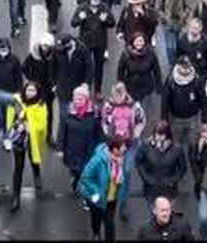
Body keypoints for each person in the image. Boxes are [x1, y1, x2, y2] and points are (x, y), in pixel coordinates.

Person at [103, 81, 147, 221]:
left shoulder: (135, 106)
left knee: (126, 171)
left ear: (125, 93)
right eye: (115, 95)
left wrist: (135, 134)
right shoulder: (109, 106)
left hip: (130, 144)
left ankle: (123, 204)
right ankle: (112, 197)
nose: (117, 98)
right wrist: (110, 136)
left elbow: (141, 120)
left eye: (120, 95)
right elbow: (104, 121)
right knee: (113, 172)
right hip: (114, 145)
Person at [7, 80, 50, 212]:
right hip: (19, 138)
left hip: (33, 139)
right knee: (18, 167)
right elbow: (10, 118)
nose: (30, 93)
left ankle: (36, 174)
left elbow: (42, 124)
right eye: (28, 90)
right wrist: (15, 127)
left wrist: (30, 127)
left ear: (37, 92)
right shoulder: (16, 101)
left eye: (33, 91)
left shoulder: (41, 105)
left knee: (33, 159)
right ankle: (16, 197)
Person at [78, 139, 129, 243]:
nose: (125, 149)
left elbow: (119, 178)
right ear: (115, 149)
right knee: (96, 219)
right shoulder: (98, 160)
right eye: (123, 147)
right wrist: (95, 192)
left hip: (111, 198)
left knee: (110, 225)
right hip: (97, 198)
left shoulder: (120, 159)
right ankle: (96, 232)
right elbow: (85, 177)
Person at [61, 84, 106, 191]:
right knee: (75, 169)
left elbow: (99, 131)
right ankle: (75, 178)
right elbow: (63, 131)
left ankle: (87, 194)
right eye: (75, 99)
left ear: (86, 99)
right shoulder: (68, 112)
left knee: (86, 171)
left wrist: (102, 147)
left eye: (80, 99)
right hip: (72, 148)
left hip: (88, 148)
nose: (77, 101)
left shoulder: (94, 113)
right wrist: (61, 148)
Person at [162, 55, 207, 153]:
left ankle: (192, 163)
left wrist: (205, 119)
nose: (185, 70)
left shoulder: (196, 80)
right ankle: (179, 162)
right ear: (178, 66)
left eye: (187, 67)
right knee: (176, 143)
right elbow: (165, 100)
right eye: (183, 67)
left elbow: (203, 100)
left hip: (192, 118)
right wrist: (164, 118)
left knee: (192, 143)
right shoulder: (171, 80)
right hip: (176, 118)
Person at [72, 0, 116, 92]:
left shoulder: (104, 8)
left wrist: (106, 20)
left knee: (99, 67)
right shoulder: (82, 8)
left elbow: (112, 23)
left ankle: (97, 90)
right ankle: (85, 88)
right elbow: (73, 23)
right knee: (85, 66)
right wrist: (80, 18)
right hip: (85, 43)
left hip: (99, 43)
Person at [117, 32, 164, 108]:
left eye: (141, 41)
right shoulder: (126, 54)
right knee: (132, 109)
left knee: (144, 109)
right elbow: (120, 70)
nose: (139, 43)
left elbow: (156, 69)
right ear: (133, 42)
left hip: (146, 85)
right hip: (131, 86)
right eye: (137, 41)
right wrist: (120, 84)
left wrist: (159, 85)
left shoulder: (151, 53)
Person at [157, 0, 189, 68]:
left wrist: (184, 16)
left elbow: (187, 6)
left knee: (179, 43)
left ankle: (178, 61)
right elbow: (158, 8)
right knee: (170, 45)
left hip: (180, 22)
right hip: (168, 23)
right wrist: (165, 18)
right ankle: (172, 63)